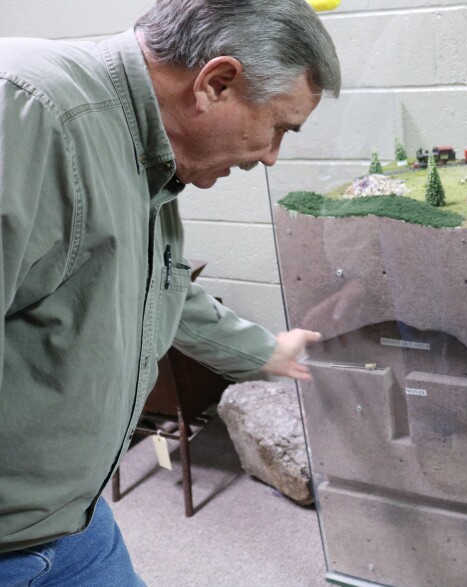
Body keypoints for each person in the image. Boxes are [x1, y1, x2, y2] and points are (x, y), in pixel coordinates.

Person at [0, 0, 340, 584]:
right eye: (278, 127)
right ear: (217, 82)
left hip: (73, 524)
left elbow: (165, 288)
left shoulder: (146, 150)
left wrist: (267, 352)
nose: (270, 156)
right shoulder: (32, 111)